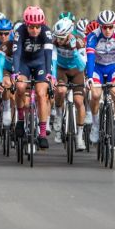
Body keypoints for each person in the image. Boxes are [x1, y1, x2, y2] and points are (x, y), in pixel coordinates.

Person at [86, 9, 115, 147]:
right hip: (97, 69)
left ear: (114, 25)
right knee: (95, 94)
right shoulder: (93, 37)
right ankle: (95, 125)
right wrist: (89, 77)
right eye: (104, 27)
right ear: (100, 26)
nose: (107, 30)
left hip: (113, 68)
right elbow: (90, 58)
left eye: (110, 27)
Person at [11, 6, 54, 150]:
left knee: (42, 94)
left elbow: (48, 54)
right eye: (31, 27)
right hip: (24, 63)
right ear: (26, 24)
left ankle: (42, 134)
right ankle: (21, 119)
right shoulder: (20, 32)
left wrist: (49, 73)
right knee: (20, 87)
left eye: (37, 27)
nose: (35, 30)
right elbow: (16, 54)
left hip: (41, 63)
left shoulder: (46, 32)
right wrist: (16, 72)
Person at [51, 17, 88, 150]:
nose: (59, 40)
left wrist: (74, 51)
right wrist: (54, 79)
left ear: (69, 34)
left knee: (79, 101)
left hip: (76, 71)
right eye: (57, 37)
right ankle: (59, 116)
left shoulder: (79, 42)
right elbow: (53, 61)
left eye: (62, 38)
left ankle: (79, 137)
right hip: (61, 69)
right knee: (60, 91)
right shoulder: (55, 41)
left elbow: (82, 65)